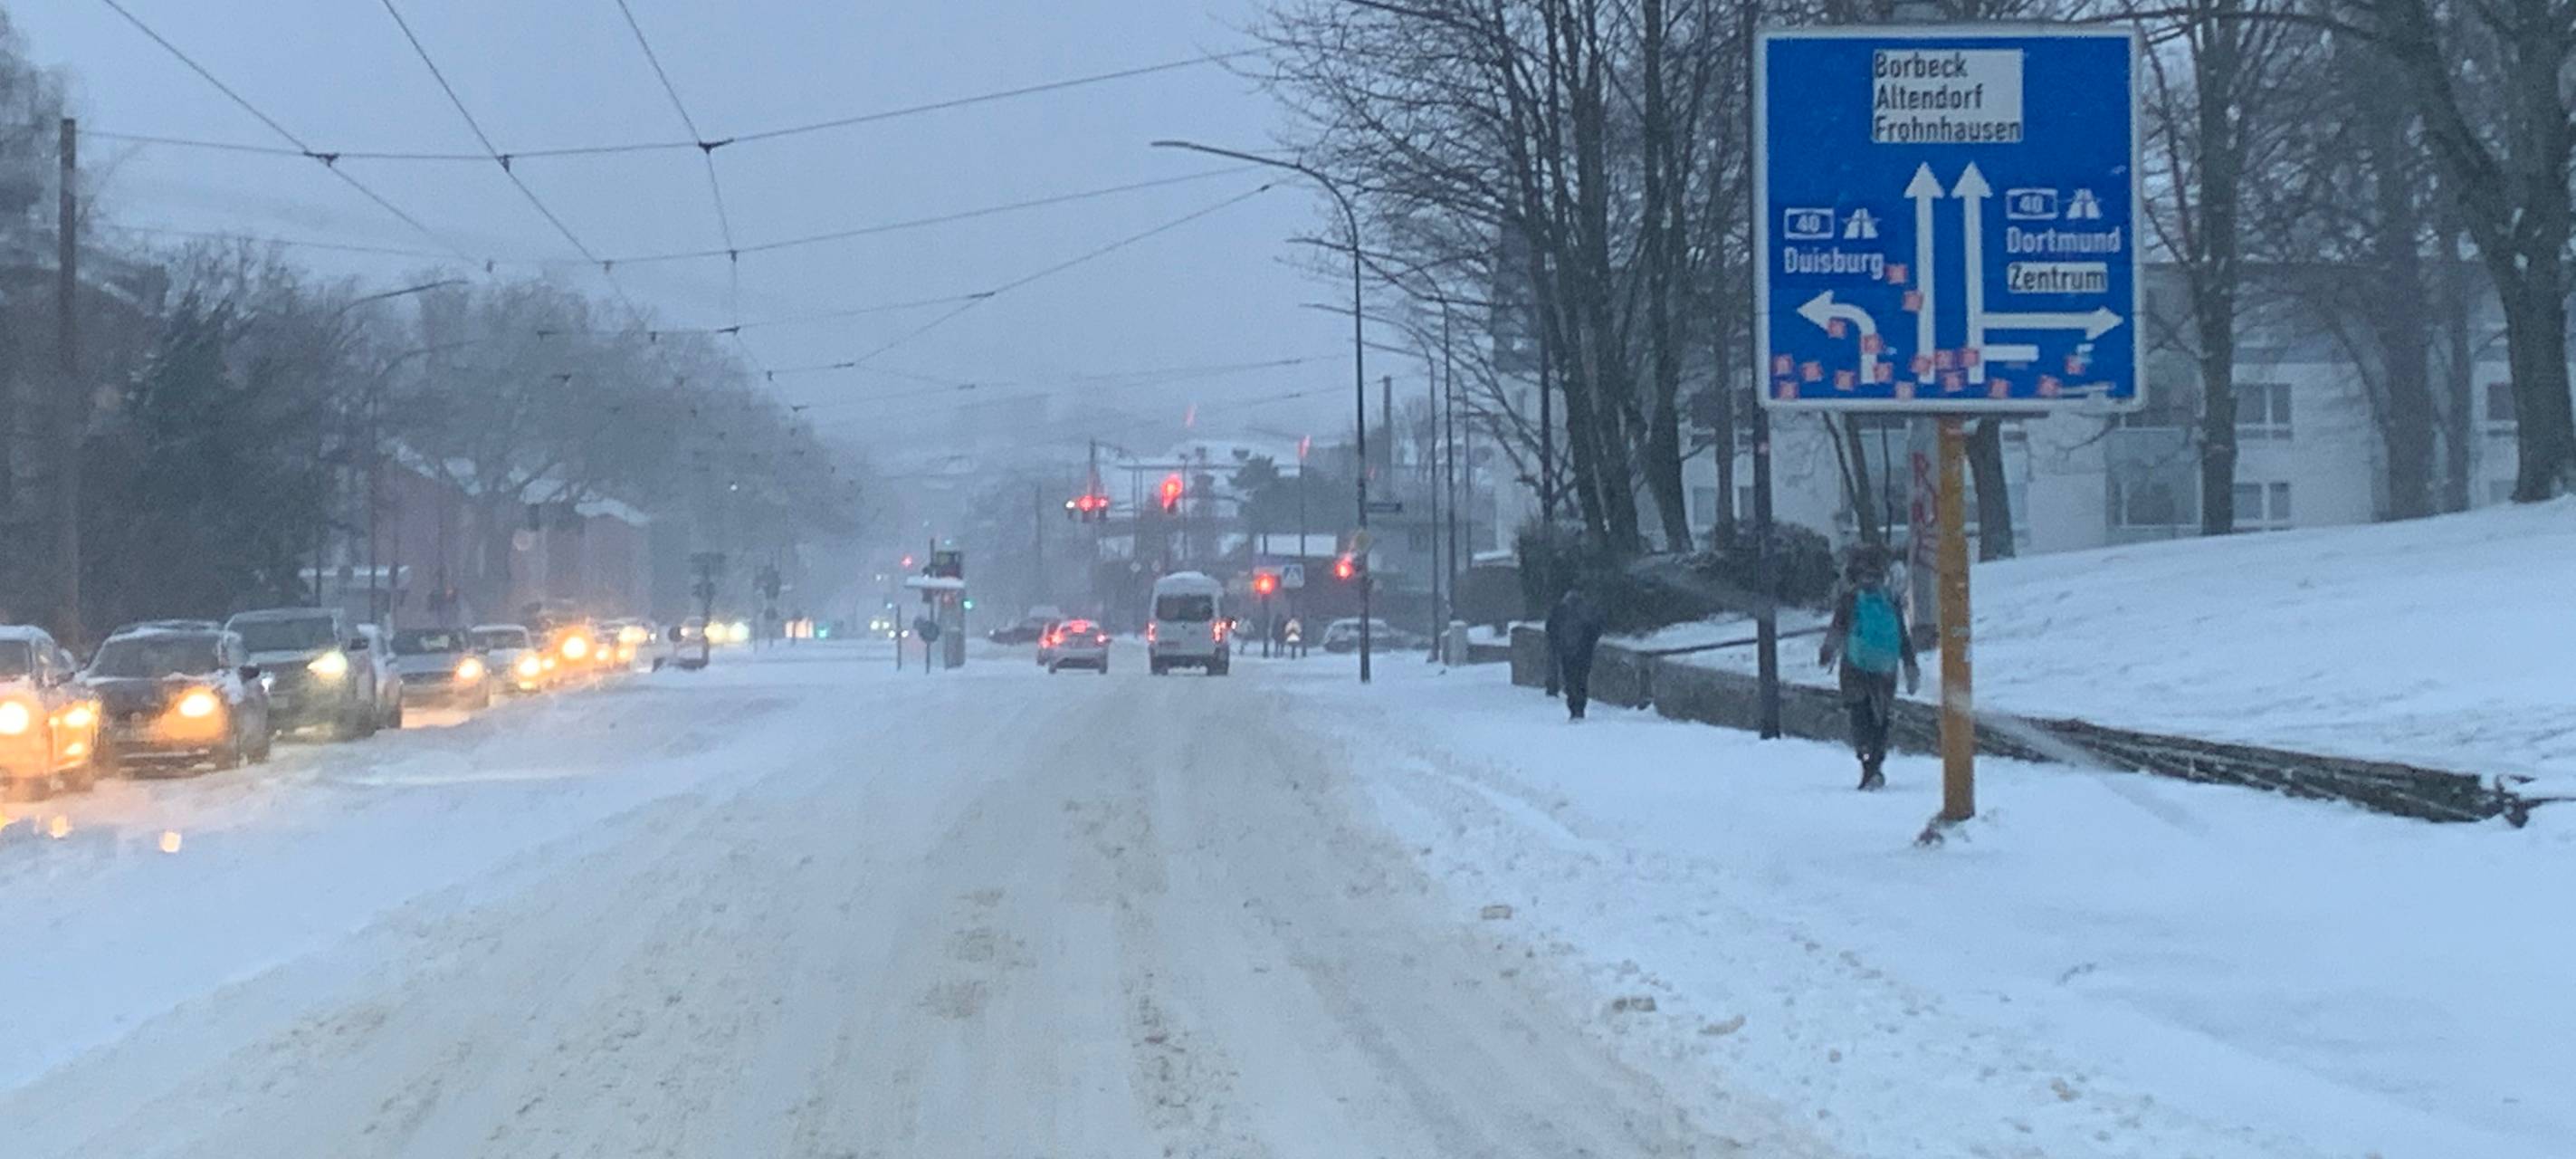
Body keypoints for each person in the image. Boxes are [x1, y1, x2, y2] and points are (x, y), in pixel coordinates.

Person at [1818, 544, 1920, 790]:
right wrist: (1909, 663)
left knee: (1858, 711)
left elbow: (1838, 628)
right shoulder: (1889, 599)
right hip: (1886, 665)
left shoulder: (1850, 598)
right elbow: (1902, 634)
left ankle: (1867, 761)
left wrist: (1827, 652)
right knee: (1881, 717)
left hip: (1855, 665)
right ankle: (1877, 761)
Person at [1544, 583, 1608, 721]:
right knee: (1581, 680)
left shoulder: (1560, 609)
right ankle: (1580, 706)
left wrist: (1557, 644)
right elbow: (1597, 627)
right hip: (1584, 652)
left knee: (1570, 679)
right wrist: (1590, 643)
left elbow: (1550, 628)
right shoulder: (1587, 609)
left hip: (1566, 652)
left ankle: (1573, 707)